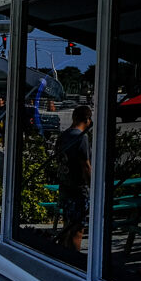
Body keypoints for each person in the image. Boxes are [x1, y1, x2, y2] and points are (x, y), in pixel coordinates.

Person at [55, 102, 92, 251]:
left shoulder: (63, 136)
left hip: (65, 187)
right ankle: (74, 261)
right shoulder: (81, 138)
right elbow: (85, 165)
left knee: (67, 226)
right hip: (78, 189)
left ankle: (63, 256)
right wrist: (91, 187)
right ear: (87, 120)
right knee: (77, 229)